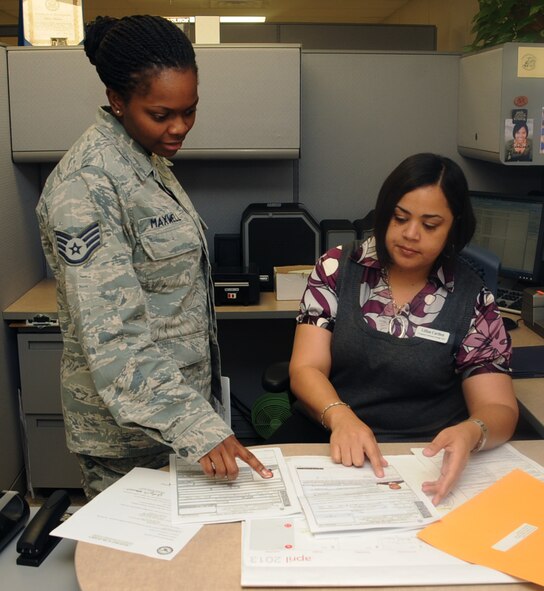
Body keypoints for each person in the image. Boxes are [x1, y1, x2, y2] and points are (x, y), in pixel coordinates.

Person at [35, 15, 272, 498]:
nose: (180, 127)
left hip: (175, 421)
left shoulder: (146, 161)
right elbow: (114, 338)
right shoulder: (88, 184)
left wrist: (199, 419)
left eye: (190, 110)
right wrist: (200, 428)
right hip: (129, 441)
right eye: (162, 114)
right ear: (117, 101)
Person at [267, 153, 518, 504]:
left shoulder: (472, 296)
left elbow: (500, 408)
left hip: (422, 457)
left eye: (430, 225)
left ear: (454, 229)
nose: (410, 234)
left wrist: (472, 431)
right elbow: (306, 367)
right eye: (400, 218)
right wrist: (341, 417)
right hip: (329, 438)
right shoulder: (337, 268)